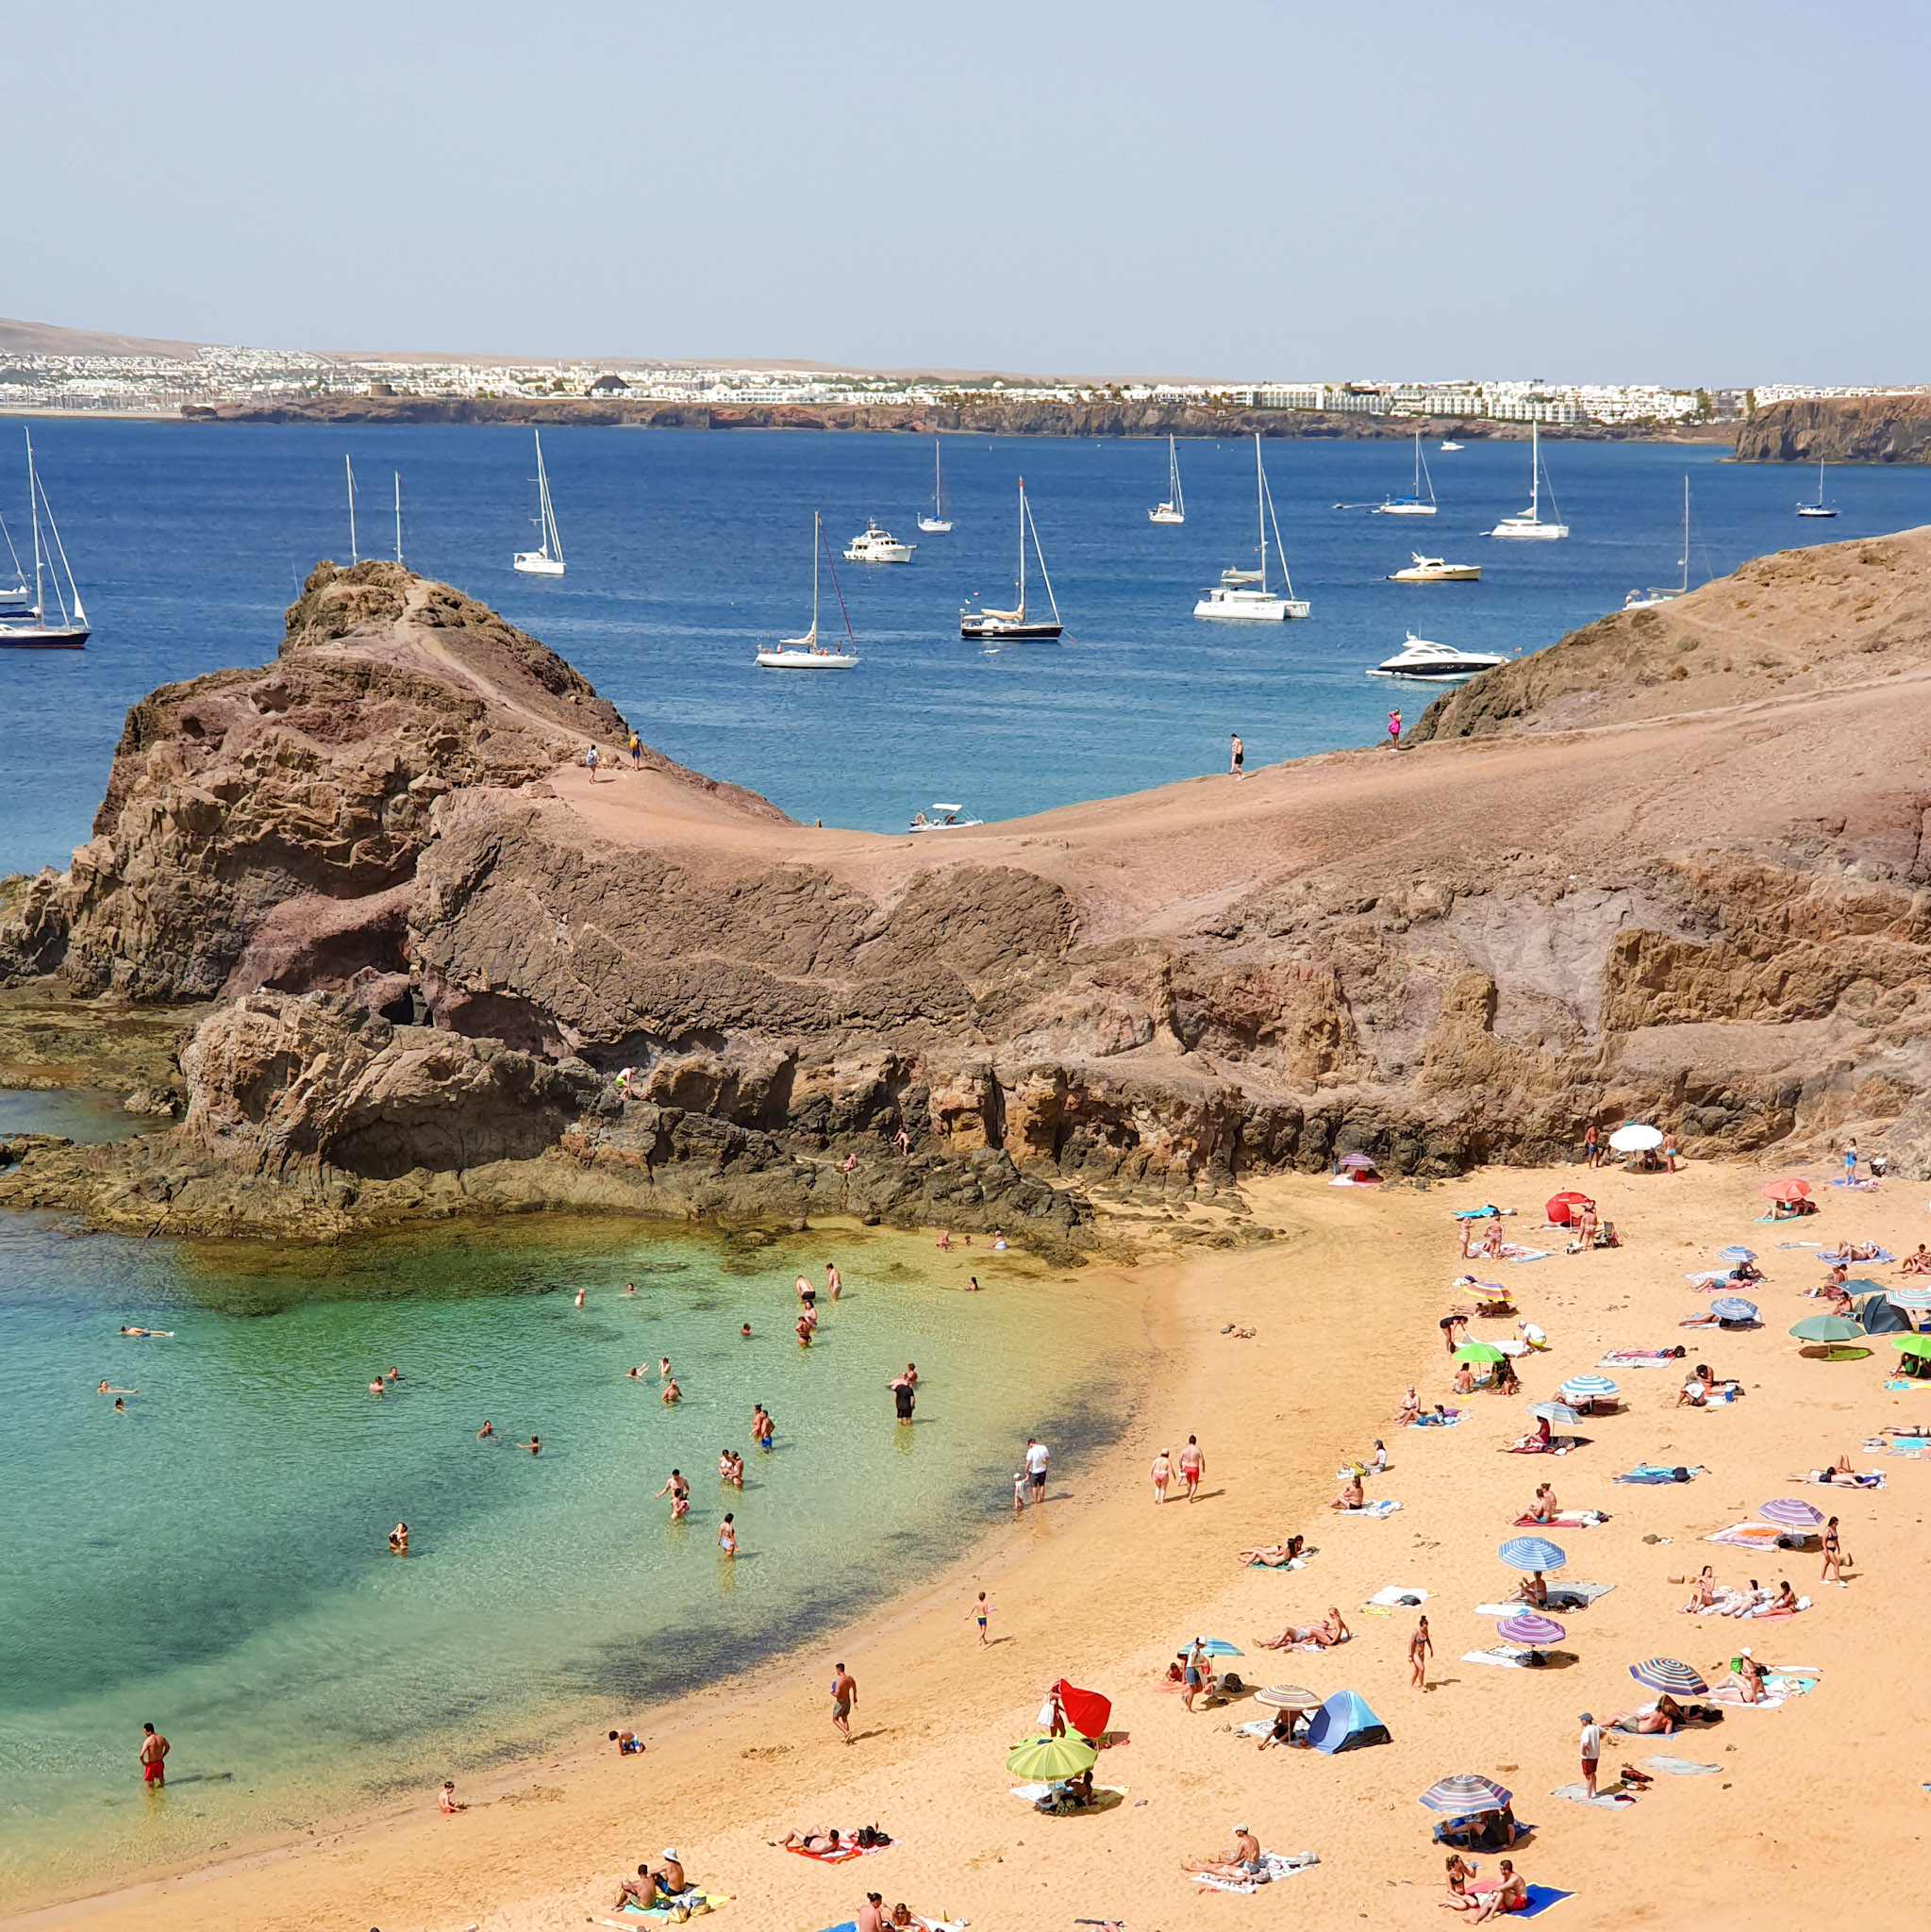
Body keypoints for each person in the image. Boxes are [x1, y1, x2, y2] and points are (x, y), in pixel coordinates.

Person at [1187, 1824, 1263, 1881]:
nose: (1236, 1833)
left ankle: (1199, 1868)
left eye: (1237, 1831)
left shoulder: (1242, 1843)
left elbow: (1236, 1859)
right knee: (1225, 1860)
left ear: (1241, 1832)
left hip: (1248, 1867)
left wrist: (1222, 1865)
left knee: (1218, 1867)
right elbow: (1247, 1853)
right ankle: (1209, 1864)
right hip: (1256, 1864)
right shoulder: (1253, 1838)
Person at [831, 1662, 857, 1743]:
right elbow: (854, 1688)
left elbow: (838, 1695)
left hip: (840, 1702)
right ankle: (847, 1738)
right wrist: (854, 1698)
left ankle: (846, 1732)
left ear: (838, 1670)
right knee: (845, 1719)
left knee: (835, 1719)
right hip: (847, 1700)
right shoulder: (850, 1679)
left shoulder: (839, 1682)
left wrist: (832, 1692)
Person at [1181, 1640, 1209, 1712]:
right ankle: (1189, 1708)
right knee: (1192, 1690)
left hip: (1195, 1670)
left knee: (1199, 1688)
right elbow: (1192, 1664)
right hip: (1191, 1671)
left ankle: (1186, 1696)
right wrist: (1203, 1664)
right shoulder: (1195, 1652)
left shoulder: (1196, 1649)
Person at [1579, 1710, 1602, 1798]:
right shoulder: (1596, 1727)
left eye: (1581, 1720)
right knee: (1593, 1773)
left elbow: (1585, 1743)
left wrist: (1584, 1751)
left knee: (1587, 1776)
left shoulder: (1586, 1731)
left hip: (1588, 1757)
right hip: (1595, 1755)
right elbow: (1603, 1734)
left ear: (1585, 1721)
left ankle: (1588, 1795)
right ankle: (1594, 1791)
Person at [139, 1722, 169, 1789]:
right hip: (160, 1762)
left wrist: (143, 1763)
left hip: (151, 1764)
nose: (144, 1733)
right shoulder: (161, 1738)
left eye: (145, 1731)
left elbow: (141, 1755)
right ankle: (162, 1791)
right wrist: (163, 1755)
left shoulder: (148, 1741)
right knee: (161, 1778)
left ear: (148, 1731)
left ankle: (150, 1797)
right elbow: (167, 1747)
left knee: (149, 1783)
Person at [1178, 1434, 1206, 1501]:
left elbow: (1180, 1458)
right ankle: (1190, 1496)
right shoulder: (1197, 1449)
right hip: (1194, 1467)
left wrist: (1181, 1467)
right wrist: (1203, 1467)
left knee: (1188, 1482)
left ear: (1189, 1441)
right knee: (1194, 1483)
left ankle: (1189, 1493)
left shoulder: (1184, 1449)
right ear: (1195, 1442)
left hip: (1187, 1467)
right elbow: (1202, 1459)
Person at [1410, 1614, 1433, 1689]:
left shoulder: (1425, 1631)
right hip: (1415, 1653)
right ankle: (1422, 1685)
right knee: (1422, 1668)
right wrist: (1410, 1655)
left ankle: (1411, 1685)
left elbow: (1428, 1639)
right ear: (1420, 1625)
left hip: (1422, 1653)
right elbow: (1411, 1644)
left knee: (1417, 1670)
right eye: (1424, 1627)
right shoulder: (1416, 1632)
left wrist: (1431, 1649)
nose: (1425, 1629)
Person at [1024, 1436, 1050, 1503]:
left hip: (1034, 1472)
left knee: (1034, 1486)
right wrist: (1046, 1467)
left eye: (1029, 1445)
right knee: (1042, 1485)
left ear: (1030, 1443)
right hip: (1043, 1470)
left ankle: (1035, 1501)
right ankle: (1042, 1499)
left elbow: (1028, 1462)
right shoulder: (1044, 1447)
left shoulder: (1030, 1451)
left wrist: (1026, 1471)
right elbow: (1047, 1459)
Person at [1822, 1515, 1843, 1584]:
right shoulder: (1828, 1529)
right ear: (1833, 1522)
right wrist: (1825, 1549)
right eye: (1836, 1523)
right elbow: (1823, 1540)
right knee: (1836, 1564)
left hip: (1833, 1548)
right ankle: (1838, 1580)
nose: (1837, 1525)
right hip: (1828, 1549)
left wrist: (1838, 1547)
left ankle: (1822, 1579)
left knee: (1826, 1563)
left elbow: (1836, 1539)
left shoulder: (1834, 1529)